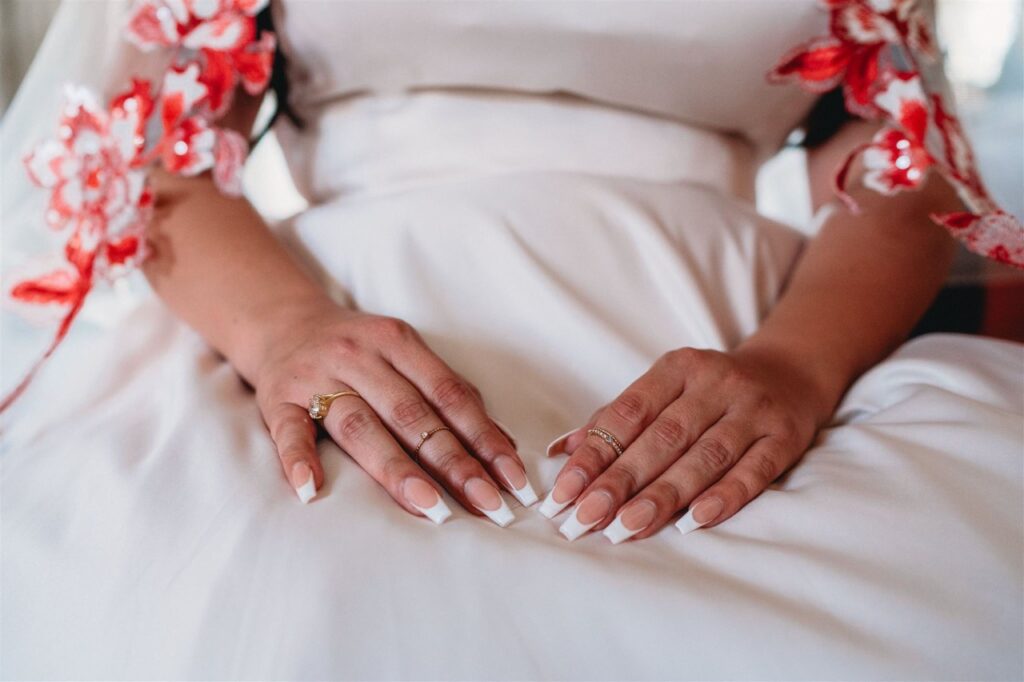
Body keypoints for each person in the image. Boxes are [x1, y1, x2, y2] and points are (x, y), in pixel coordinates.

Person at [3, 1, 1022, 678]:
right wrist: (285, 333)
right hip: (331, 308)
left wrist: (794, 366)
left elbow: (902, 174)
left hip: (736, 326)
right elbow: (145, 155)